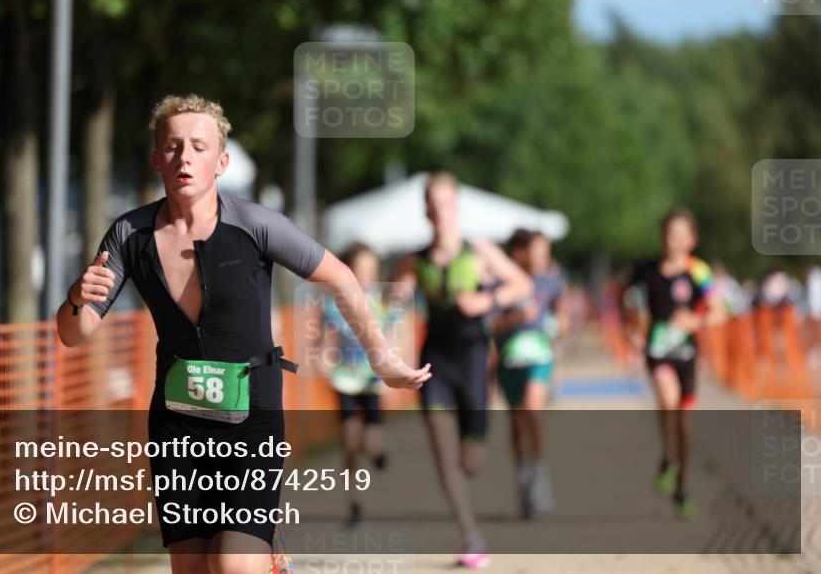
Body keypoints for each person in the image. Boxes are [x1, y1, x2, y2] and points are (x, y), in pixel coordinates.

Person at [56, 95, 431, 574]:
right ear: (156, 159)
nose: (184, 158)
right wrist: (74, 297)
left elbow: (340, 277)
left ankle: (266, 557)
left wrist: (380, 358)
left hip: (252, 416)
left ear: (221, 161)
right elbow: (74, 333)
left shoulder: (255, 224)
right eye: (172, 147)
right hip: (176, 424)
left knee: (233, 565)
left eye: (197, 146)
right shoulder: (130, 234)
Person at [392, 172, 532, 569]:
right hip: (434, 362)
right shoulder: (415, 260)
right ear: (426, 212)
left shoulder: (479, 251)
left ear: (457, 208)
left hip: (473, 361)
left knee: (472, 463)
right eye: (433, 207)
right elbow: (394, 302)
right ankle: (470, 534)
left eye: (447, 205)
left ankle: (474, 515)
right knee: (443, 453)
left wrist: (487, 299)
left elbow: (521, 284)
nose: (440, 213)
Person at [621, 207, 724, 520]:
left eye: (680, 235)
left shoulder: (698, 272)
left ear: (692, 240)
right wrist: (631, 330)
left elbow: (720, 311)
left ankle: (683, 485)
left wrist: (696, 320)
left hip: (688, 355)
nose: (673, 240)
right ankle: (668, 456)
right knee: (668, 400)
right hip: (658, 350)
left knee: (685, 422)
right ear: (661, 236)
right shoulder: (645, 270)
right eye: (669, 233)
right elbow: (623, 300)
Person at [316, 242, 395, 528]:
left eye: (371, 271)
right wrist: (324, 360)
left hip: (372, 381)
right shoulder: (333, 303)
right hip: (345, 380)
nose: (366, 277)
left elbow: (394, 336)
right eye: (361, 270)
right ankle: (355, 504)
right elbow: (326, 339)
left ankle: (377, 451)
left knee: (371, 442)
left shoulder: (382, 302)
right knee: (350, 443)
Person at [493, 229, 564, 519]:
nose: (541, 258)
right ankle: (523, 476)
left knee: (534, 410)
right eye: (536, 252)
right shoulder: (503, 282)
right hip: (509, 359)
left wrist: (560, 327)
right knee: (517, 419)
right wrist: (516, 318)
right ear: (519, 253)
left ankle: (540, 473)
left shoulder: (552, 280)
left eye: (545, 252)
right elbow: (491, 324)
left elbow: (561, 313)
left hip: (540, 356)